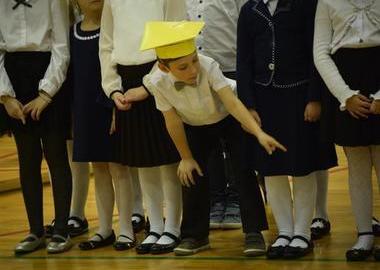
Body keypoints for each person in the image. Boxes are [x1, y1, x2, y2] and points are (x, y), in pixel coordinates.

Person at [131, 21, 284, 256]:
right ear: (163, 67)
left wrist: (258, 132)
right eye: (183, 67)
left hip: (227, 118)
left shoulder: (209, 66)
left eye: (194, 60)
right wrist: (185, 157)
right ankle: (195, 235)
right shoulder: (156, 82)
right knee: (192, 174)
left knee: (243, 170)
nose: (193, 70)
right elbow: (171, 121)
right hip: (194, 125)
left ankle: (253, 233)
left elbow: (232, 102)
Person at [237, 0, 337, 259]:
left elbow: (316, 54)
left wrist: (314, 97)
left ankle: (302, 232)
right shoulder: (249, 10)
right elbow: (243, 60)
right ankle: (284, 231)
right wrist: (248, 104)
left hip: (299, 97)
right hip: (263, 101)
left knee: (302, 166)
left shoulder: (304, 5)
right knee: (271, 168)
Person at [99, 0, 186, 254]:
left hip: (160, 76)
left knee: (167, 159)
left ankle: (173, 225)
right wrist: (113, 87)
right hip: (126, 82)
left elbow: (175, 37)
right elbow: (106, 44)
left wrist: (149, 85)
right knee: (143, 159)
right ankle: (155, 225)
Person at [0, 0, 73, 254]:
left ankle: (62, 229)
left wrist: (46, 93)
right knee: (27, 158)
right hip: (13, 79)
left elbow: (62, 48)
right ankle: (35, 230)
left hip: (47, 73)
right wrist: (5, 96)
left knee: (56, 156)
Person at [314, 0, 380, 261]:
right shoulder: (327, 2)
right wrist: (345, 95)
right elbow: (320, 52)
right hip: (345, 84)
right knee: (357, 163)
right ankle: (364, 233)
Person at [185, 0, 248, 231]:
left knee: (233, 139)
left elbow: (246, 19)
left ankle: (235, 198)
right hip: (195, 71)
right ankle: (217, 197)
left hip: (231, 67)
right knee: (207, 135)